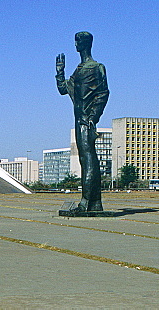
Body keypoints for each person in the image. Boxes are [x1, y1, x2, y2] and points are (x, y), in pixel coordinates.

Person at [56, 31, 109, 212]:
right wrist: (59, 72)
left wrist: (94, 117)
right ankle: (95, 203)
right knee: (85, 159)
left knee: (88, 159)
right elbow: (64, 89)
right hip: (79, 120)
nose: (75, 45)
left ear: (86, 44)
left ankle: (86, 202)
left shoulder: (97, 67)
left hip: (87, 121)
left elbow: (103, 93)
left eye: (78, 41)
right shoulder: (78, 70)